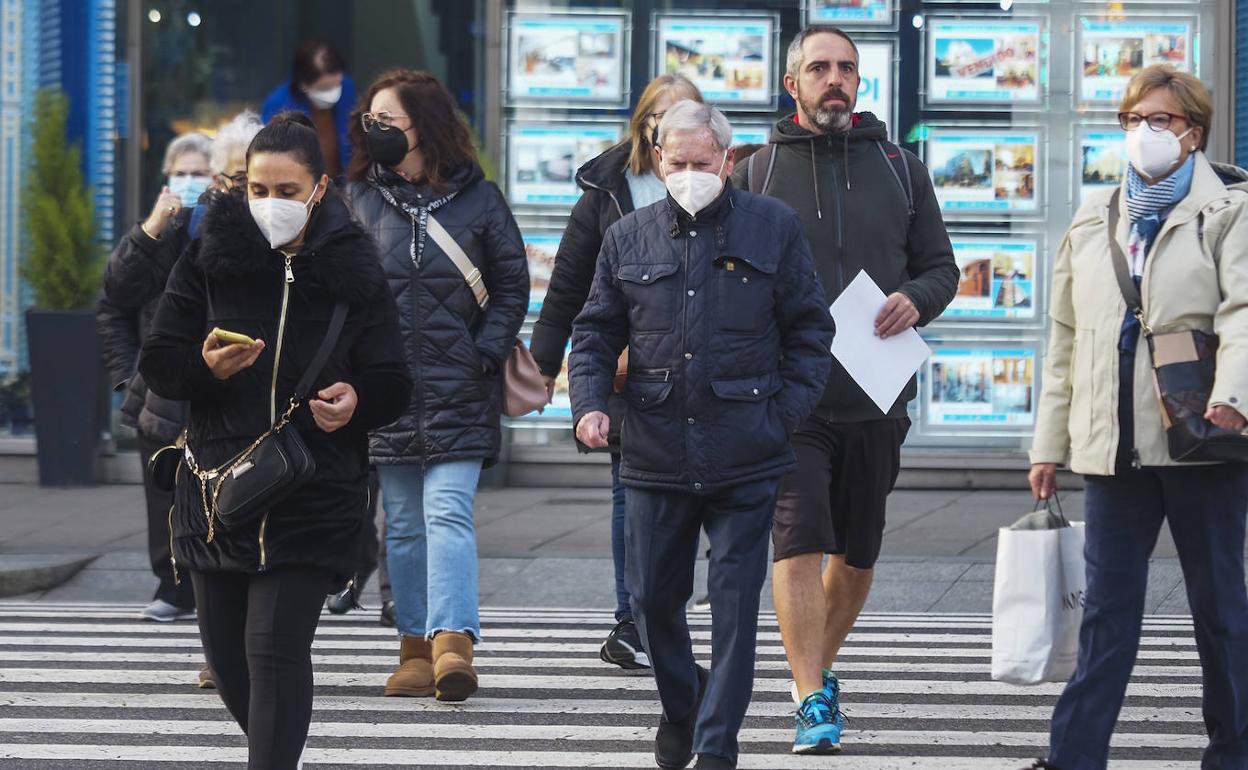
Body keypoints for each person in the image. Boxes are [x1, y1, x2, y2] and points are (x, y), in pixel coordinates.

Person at [138, 112, 411, 769]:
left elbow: (393, 381)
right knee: (231, 667)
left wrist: (357, 401)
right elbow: (160, 360)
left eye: (286, 191)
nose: (269, 204)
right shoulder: (211, 260)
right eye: (258, 189)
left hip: (313, 489)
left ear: (318, 190)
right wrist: (204, 368)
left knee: (274, 650)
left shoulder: (354, 271)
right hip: (216, 493)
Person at [570, 100, 834, 770]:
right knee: (654, 600)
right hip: (654, 451)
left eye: (702, 162)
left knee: (736, 609)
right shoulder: (628, 237)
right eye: (677, 162)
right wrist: (590, 405)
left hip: (747, 451)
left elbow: (810, 331)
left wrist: (783, 416)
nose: (690, 174)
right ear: (659, 160)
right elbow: (596, 332)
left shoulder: (773, 227)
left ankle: (717, 747)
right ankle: (681, 706)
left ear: (727, 157)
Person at [729, 25, 958, 754]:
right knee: (797, 542)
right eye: (821, 68)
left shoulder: (900, 167)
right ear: (791, 82)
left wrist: (917, 298)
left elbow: (942, 267)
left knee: (856, 555)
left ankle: (817, 671)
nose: (837, 79)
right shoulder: (756, 171)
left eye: (848, 69)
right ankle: (807, 700)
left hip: (876, 393)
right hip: (789, 398)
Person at [1023, 65, 1248, 770]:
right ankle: (1075, 757)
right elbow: (1065, 337)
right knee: (1106, 613)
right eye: (1134, 120)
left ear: (1194, 133)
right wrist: (1047, 444)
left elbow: (1244, 314)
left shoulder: (1230, 211)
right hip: (1111, 445)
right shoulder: (1095, 218)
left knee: (1219, 609)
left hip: (1199, 439)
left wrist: (1234, 399)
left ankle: (1234, 751)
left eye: (1163, 120)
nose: (1145, 133)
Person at [343, 69, 529, 702]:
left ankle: (455, 642)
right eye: (370, 121)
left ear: (425, 124)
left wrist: (485, 353)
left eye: (388, 121)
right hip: (387, 391)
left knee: (446, 512)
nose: (376, 132)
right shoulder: (358, 199)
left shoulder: (481, 200)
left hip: (459, 385)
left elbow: (511, 285)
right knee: (399, 522)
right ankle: (414, 648)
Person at [530, 73, 702, 671]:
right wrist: (542, 368)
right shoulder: (606, 193)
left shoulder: (711, 183)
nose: (670, 122)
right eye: (660, 113)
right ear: (643, 123)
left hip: (699, 371)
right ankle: (631, 616)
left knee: (689, 494)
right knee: (631, 491)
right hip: (631, 370)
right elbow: (567, 291)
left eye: (684, 112)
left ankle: (661, 607)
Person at [96, 131, 213, 625]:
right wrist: (130, 378)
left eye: (199, 173)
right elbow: (114, 300)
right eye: (180, 173)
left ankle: (211, 583)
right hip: (159, 392)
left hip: (212, 383)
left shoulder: (224, 230)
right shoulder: (151, 234)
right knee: (162, 493)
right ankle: (172, 583)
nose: (189, 182)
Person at [262, 39, 357, 178]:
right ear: (303, 83)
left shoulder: (348, 89)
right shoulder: (277, 105)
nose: (334, 93)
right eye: (325, 88)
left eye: (337, 85)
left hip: (343, 186)